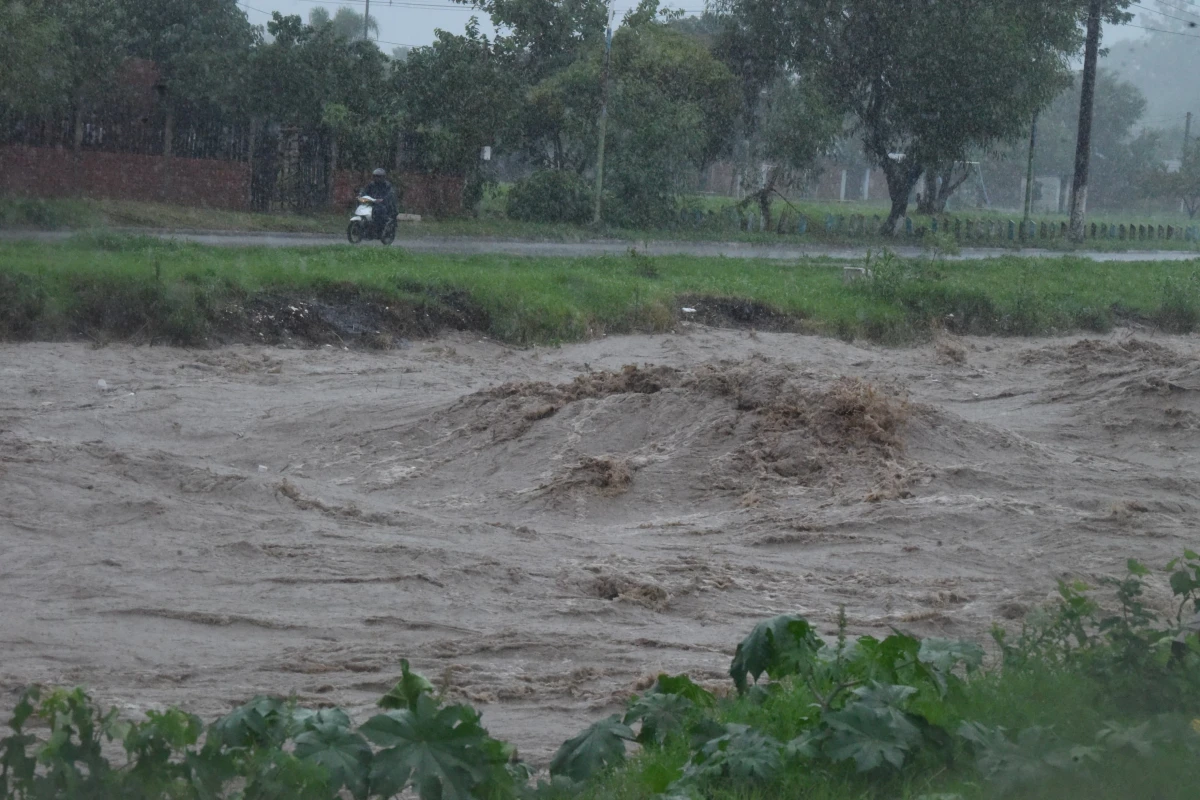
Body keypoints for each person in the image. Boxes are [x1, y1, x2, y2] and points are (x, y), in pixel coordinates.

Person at [359, 168, 397, 236]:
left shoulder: (387, 185)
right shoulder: (371, 185)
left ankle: (378, 229)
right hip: (372, 203)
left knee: (378, 212)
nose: (377, 178)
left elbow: (390, 194)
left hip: (384, 205)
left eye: (379, 177)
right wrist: (361, 195)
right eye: (375, 176)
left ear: (383, 177)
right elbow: (364, 191)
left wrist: (383, 199)